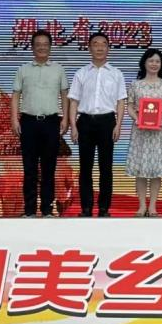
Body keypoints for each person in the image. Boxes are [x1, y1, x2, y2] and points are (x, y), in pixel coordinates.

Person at [9, 29, 68, 218]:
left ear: (50, 47)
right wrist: (14, 119)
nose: (42, 47)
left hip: (51, 122)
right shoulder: (23, 69)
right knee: (30, 169)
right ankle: (29, 211)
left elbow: (64, 95)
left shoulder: (58, 69)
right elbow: (16, 95)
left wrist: (66, 118)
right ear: (32, 48)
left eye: (45, 44)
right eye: (38, 44)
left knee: (49, 168)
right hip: (28, 122)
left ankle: (47, 210)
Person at [68, 31, 127, 218]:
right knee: (85, 167)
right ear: (89, 48)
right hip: (85, 122)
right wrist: (73, 126)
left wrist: (118, 125)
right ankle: (86, 208)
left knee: (105, 167)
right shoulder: (81, 73)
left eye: (103, 44)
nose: (100, 47)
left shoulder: (116, 74)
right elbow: (74, 101)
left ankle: (104, 208)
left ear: (108, 48)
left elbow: (121, 102)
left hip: (107, 122)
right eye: (95, 44)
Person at [125, 48, 162, 218]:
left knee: (155, 169)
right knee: (141, 170)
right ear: (144, 63)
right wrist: (137, 118)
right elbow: (130, 106)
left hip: (159, 131)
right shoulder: (135, 85)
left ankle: (152, 206)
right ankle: (141, 206)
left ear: (161, 64)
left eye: (157, 61)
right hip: (140, 131)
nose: (154, 64)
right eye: (151, 61)